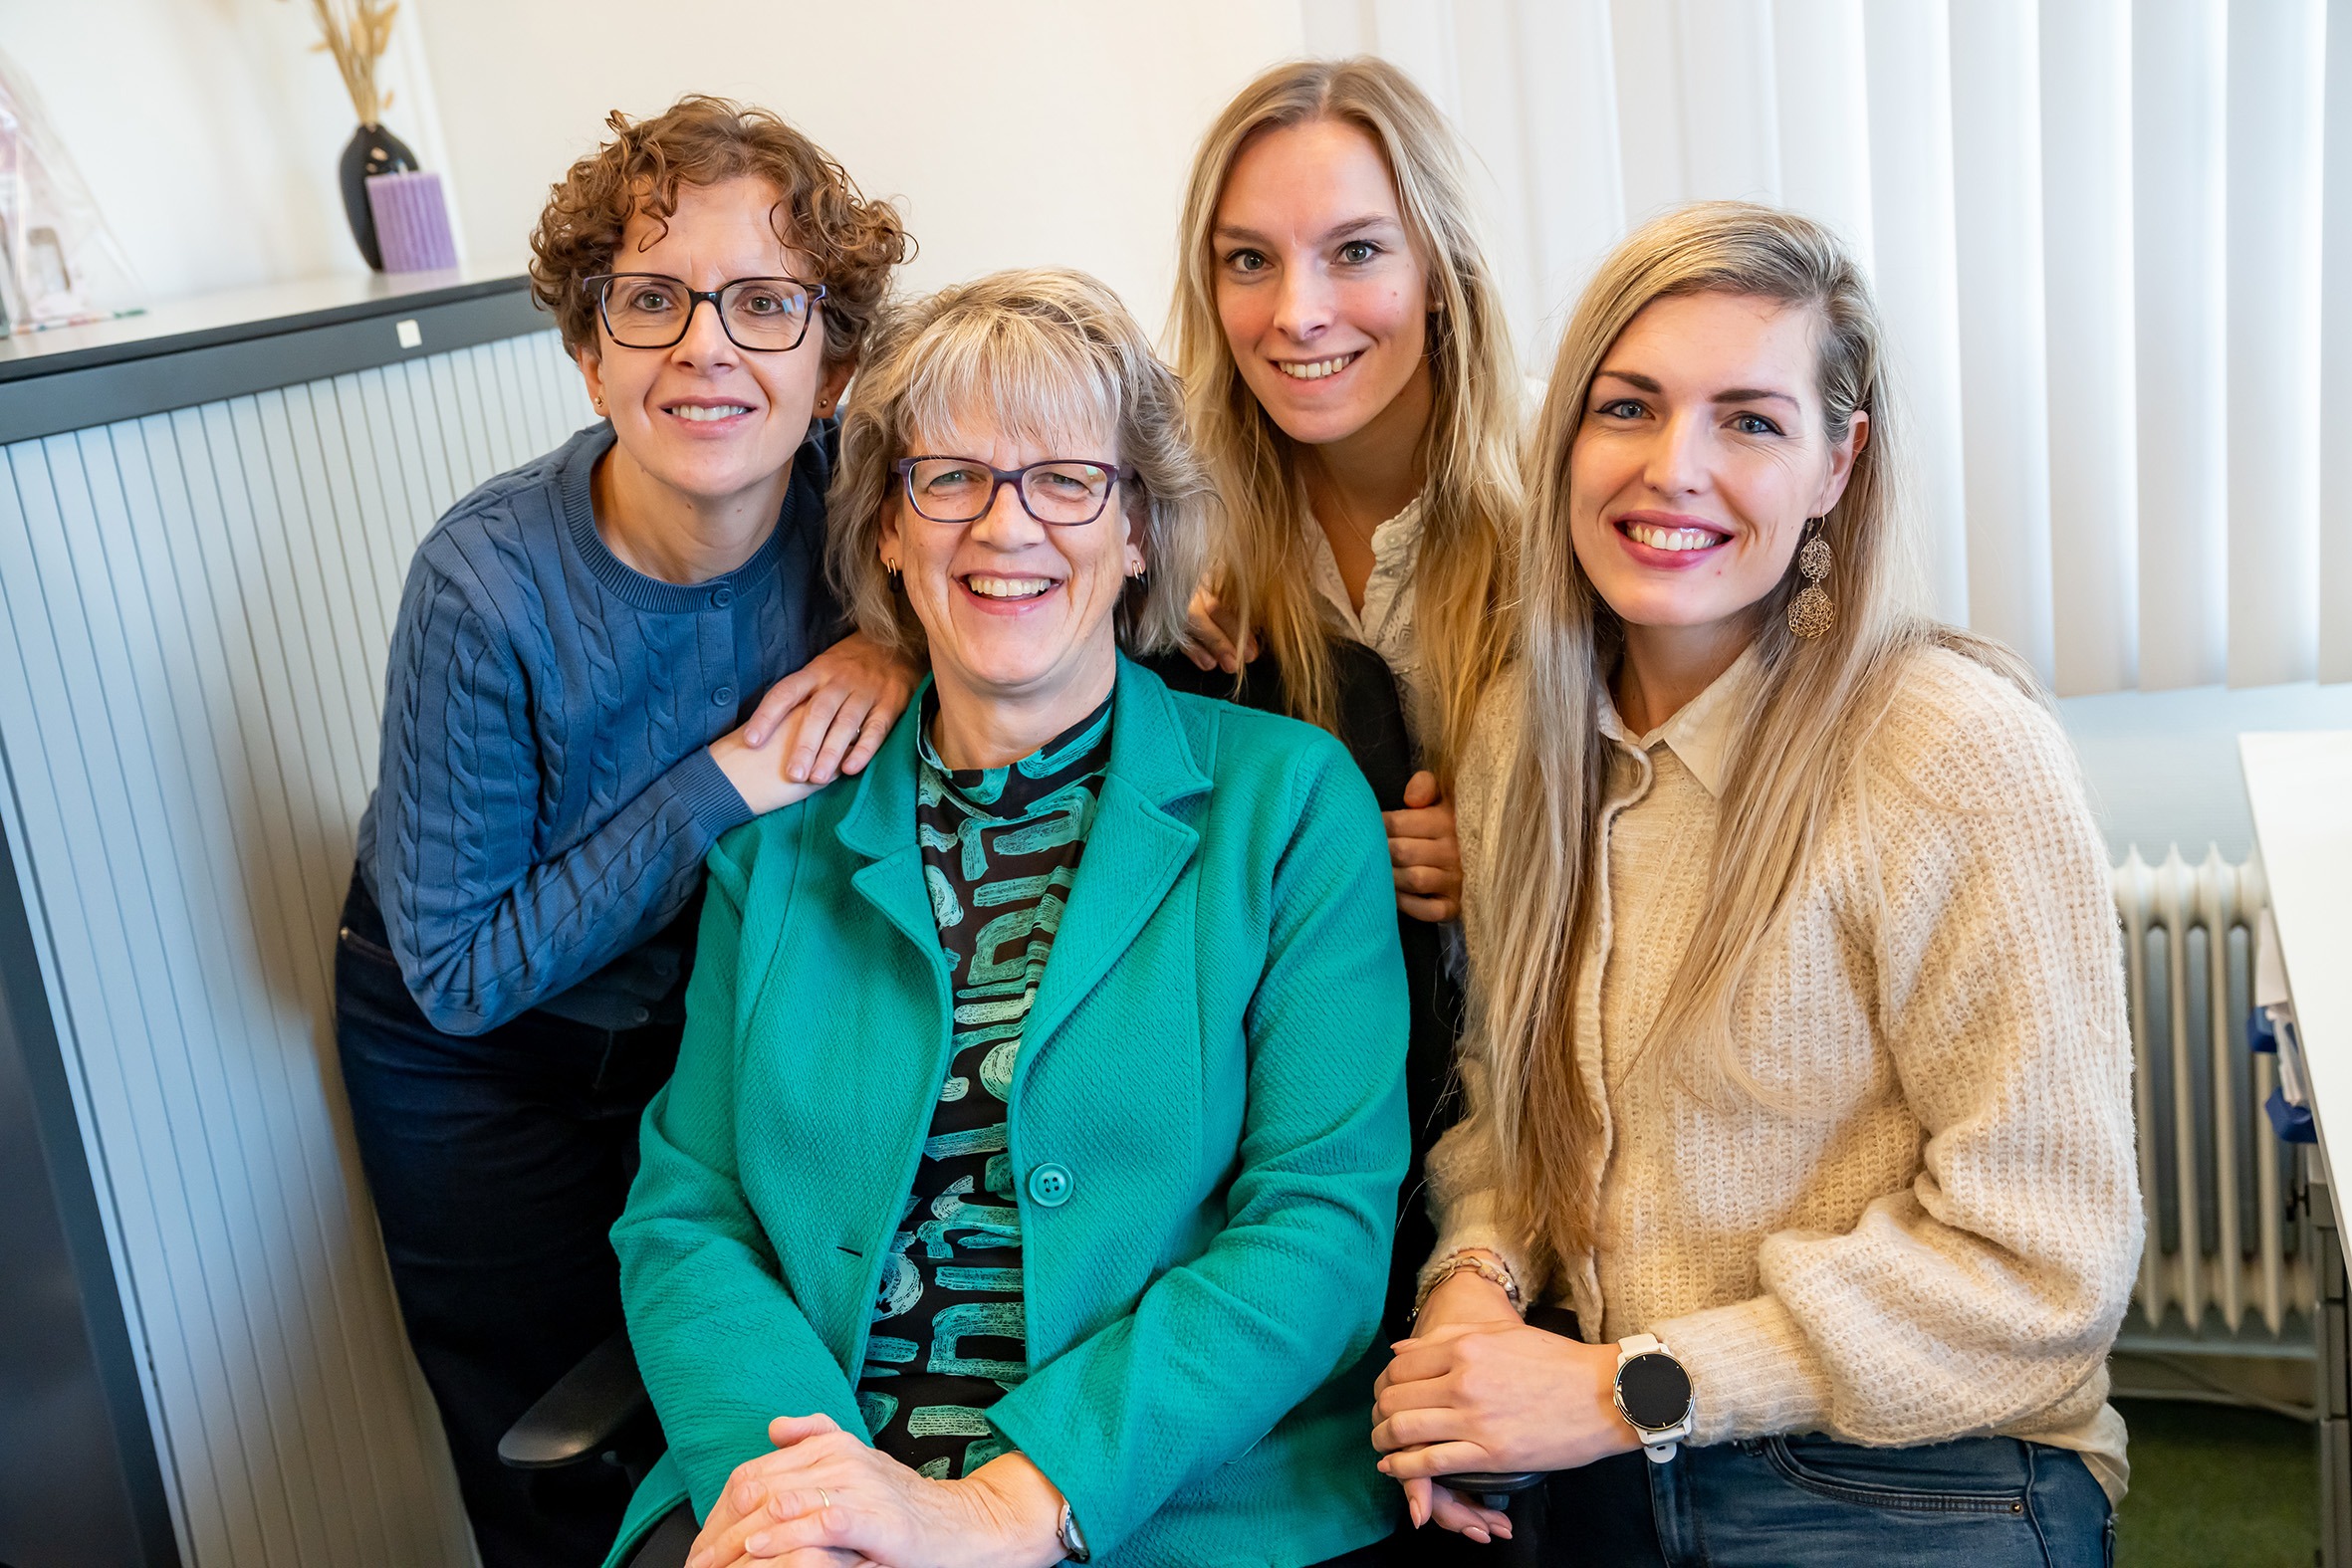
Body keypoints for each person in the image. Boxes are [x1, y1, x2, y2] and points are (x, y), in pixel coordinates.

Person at [602, 269, 1410, 1568]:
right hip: (814, 1506)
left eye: (1064, 481)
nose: (1005, 526)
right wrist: (802, 1497)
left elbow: (1317, 1230)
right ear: (885, 527)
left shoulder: (1286, 806)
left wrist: (1003, 1507)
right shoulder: (779, 857)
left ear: (1136, 529)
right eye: (952, 479)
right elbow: (686, 1218)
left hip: (1161, 1507)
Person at [1373, 202, 2140, 1566]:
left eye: (1748, 420)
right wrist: (1471, 1298)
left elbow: (2046, 1267)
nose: (1674, 469)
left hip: (1904, 1466)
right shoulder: (1516, 745)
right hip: (1602, 1458)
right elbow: (1505, 1122)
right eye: (1628, 407)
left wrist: (1626, 1392)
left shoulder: (1948, 752)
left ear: (1836, 464)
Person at [334, 97, 915, 1568]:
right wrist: (729, 772)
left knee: (734, 1395)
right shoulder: (485, 588)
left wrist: (896, 641)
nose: (705, 344)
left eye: (764, 303)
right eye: (650, 300)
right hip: (475, 1056)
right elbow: (461, 972)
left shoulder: (873, 512)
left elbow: (1080, 527)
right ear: (587, 349)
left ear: (833, 358)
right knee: (546, 1450)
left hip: (695, 1018)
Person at [1162, 53, 1520, 1336]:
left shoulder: (1563, 520)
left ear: (1437, 263)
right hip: (1290, 1118)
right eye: (1249, 259)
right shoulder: (1181, 534)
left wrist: (1512, 864)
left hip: (1524, 1123)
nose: (1297, 313)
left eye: (1354, 250)